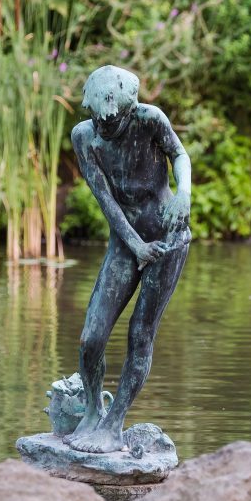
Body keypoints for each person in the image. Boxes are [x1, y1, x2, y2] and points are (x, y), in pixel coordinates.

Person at [64, 65, 191, 454]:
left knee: (140, 335)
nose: (102, 127)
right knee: (91, 336)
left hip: (167, 239)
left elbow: (179, 154)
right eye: (95, 120)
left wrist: (184, 192)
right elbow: (105, 199)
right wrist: (134, 246)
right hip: (125, 240)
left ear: (129, 109)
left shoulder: (150, 120)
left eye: (111, 121)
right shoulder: (84, 137)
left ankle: (114, 424)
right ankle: (91, 410)